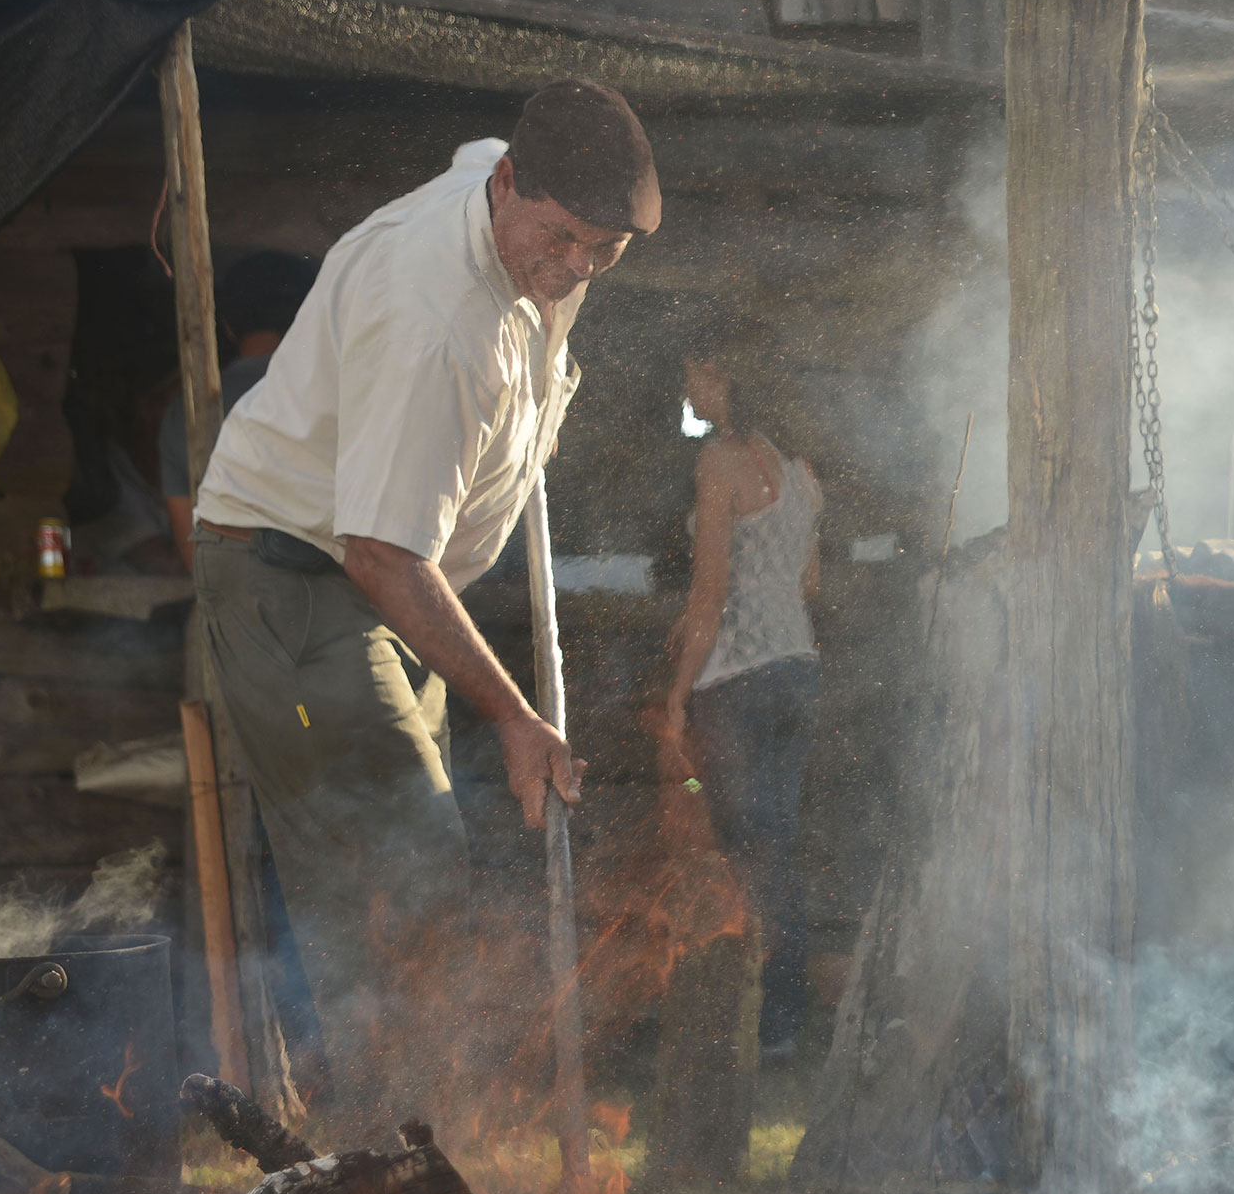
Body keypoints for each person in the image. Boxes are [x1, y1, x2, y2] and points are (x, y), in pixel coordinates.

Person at [188, 78, 660, 1136]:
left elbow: (495, 159)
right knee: (393, 874)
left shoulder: (507, 190)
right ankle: (383, 1160)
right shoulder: (436, 319)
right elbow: (382, 550)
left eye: (605, 249)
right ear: (507, 189)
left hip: (383, 584)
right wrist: (513, 716)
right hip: (304, 576)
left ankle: (421, 1144)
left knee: (416, 862)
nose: (578, 265)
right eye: (564, 238)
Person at [662, 343, 822, 1057]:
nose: (687, 389)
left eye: (694, 374)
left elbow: (709, 594)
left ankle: (757, 1016)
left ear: (721, 374)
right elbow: (808, 583)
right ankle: (783, 1018)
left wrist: (676, 693)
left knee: (742, 852)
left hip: (739, 676)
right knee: (775, 845)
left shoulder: (720, 462)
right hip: (797, 667)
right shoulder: (800, 472)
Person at [158, 251, 322, 569]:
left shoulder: (184, 414)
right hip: (340, 607)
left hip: (234, 607)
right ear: (312, 317)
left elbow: (196, 558)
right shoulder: (344, 398)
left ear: (228, 327)